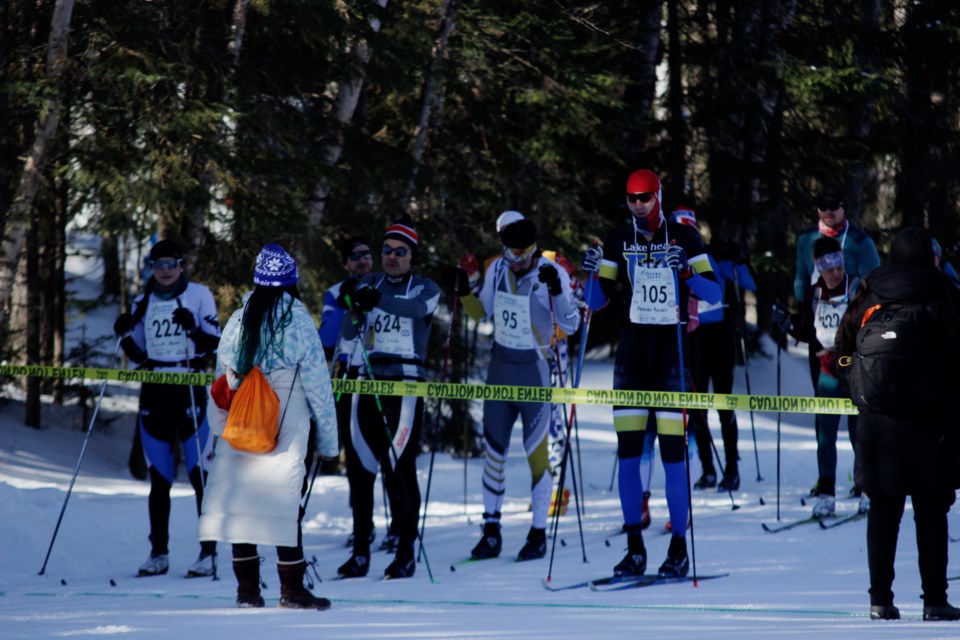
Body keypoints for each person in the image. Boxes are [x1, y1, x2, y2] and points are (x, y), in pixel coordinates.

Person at [581, 170, 721, 578]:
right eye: (631, 197)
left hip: (671, 354)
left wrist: (689, 275)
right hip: (632, 353)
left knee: (672, 457)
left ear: (658, 195)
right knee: (628, 457)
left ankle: (678, 547)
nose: (638, 203)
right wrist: (591, 273)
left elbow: (715, 293)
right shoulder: (618, 239)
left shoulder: (685, 238)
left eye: (645, 196)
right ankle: (634, 548)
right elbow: (597, 300)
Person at [199, 244, 338, 609]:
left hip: (242, 420)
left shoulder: (238, 320)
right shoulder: (298, 320)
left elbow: (220, 382)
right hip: (285, 424)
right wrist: (329, 439)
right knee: (284, 505)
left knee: (242, 505)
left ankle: (247, 591)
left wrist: (219, 428)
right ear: (291, 283)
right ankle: (292, 591)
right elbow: (319, 386)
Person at [836, 227, 960, 622]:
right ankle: (934, 601)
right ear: (929, 256)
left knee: (883, 509)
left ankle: (880, 600)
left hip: (877, 424)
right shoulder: (943, 291)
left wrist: (861, 387)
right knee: (931, 511)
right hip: (930, 423)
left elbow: (843, 349)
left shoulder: (869, 289)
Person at [454, 212, 580, 561]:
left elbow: (571, 323)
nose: (519, 262)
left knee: (536, 456)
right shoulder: (497, 270)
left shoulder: (548, 274)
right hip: (500, 370)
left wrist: (558, 293)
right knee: (493, 453)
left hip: (534, 372)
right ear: (503, 250)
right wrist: (465, 291)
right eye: (513, 255)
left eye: (525, 255)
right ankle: (491, 531)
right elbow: (481, 315)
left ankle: (538, 533)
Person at [336, 216, 440, 580]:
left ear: (412, 256)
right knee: (361, 471)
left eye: (401, 251)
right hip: (368, 384)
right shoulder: (368, 281)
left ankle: (406, 551)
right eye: (387, 250)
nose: (392, 257)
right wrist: (355, 305)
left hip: (406, 387)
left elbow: (414, 311)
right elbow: (348, 331)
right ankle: (361, 552)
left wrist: (376, 298)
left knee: (401, 469)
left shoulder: (424, 287)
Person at [112, 239, 221, 577]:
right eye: (158, 265)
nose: (165, 271)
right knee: (159, 478)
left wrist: (192, 328)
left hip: (189, 384)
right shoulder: (142, 300)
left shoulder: (199, 294)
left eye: (170, 263)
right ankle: (158, 552)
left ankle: (209, 552)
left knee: (199, 474)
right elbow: (141, 356)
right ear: (151, 267)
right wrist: (126, 337)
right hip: (156, 389)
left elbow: (214, 344)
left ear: (181, 264)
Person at [793, 183, 880, 498]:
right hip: (822, 341)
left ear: (844, 208)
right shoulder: (806, 240)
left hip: (856, 344)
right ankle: (825, 481)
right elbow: (801, 279)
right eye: (822, 206)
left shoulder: (858, 241)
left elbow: (876, 282)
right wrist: (801, 315)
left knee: (858, 418)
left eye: (834, 206)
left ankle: (863, 481)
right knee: (825, 414)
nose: (828, 212)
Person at [777, 237, 862, 518]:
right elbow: (807, 331)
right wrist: (786, 323)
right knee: (825, 436)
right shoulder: (815, 294)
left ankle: (866, 488)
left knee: (858, 434)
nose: (835, 273)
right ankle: (826, 493)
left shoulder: (857, 289)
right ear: (819, 270)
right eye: (829, 270)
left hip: (856, 372)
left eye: (838, 266)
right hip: (828, 373)